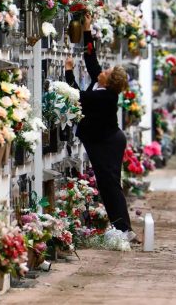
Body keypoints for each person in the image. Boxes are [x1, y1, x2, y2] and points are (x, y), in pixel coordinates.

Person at [64, 14, 135, 241]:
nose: (101, 70)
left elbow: (77, 96)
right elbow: (91, 59)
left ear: (109, 80)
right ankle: (122, 228)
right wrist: (87, 29)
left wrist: (67, 72)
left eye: (106, 71)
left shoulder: (105, 97)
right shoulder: (101, 84)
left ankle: (124, 229)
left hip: (107, 142)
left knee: (110, 183)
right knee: (108, 184)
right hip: (105, 140)